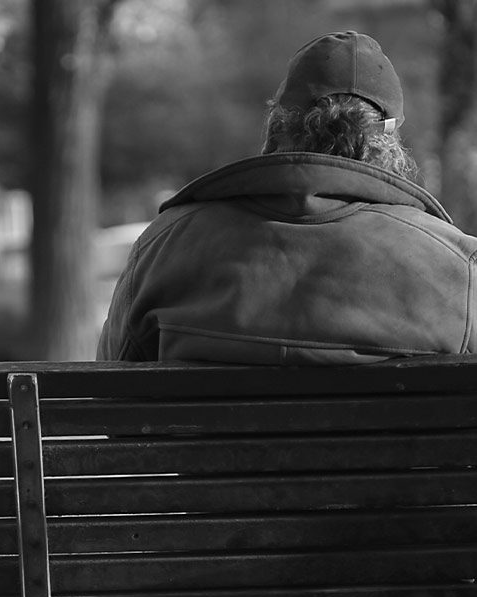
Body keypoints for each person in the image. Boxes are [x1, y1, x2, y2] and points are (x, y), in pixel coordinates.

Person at [97, 31, 477, 365]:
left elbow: (111, 395)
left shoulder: (166, 247)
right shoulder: (457, 270)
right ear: (389, 144)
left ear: (278, 128)